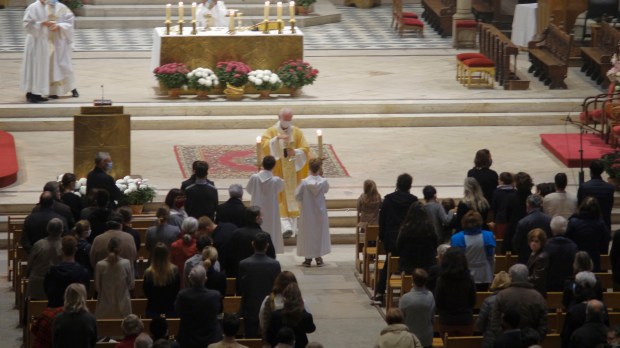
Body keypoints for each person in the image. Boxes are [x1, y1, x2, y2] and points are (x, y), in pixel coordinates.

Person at [260, 108, 310, 239]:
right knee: (281, 200)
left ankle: (293, 229)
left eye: (290, 119)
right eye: (285, 119)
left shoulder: (297, 132)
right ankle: (285, 228)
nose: (288, 122)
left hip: (294, 172)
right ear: (279, 117)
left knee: (293, 199)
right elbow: (264, 145)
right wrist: (276, 139)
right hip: (278, 171)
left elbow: (305, 148)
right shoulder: (271, 131)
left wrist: (296, 152)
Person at [21, 0, 78, 103]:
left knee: (40, 69)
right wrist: (42, 24)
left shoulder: (58, 7)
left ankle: (36, 93)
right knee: (34, 68)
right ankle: (32, 94)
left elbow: (69, 22)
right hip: (36, 42)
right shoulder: (34, 7)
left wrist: (59, 26)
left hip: (48, 43)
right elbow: (27, 24)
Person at [375, 173, 418, 305]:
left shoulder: (389, 199)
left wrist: (382, 236)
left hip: (391, 238)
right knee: (410, 265)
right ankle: (411, 291)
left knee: (389, 264)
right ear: (409, 186)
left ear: (397, 184)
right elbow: (417, 220)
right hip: (409, 239)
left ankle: (380, 292)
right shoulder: (413, 200)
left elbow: (382, 220)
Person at [237, 232, 282, 338]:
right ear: (267, 245)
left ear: (253, 244)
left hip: (250, 306)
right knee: (270, 337)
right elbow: (278, 287)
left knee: (250, 337)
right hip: (270, 307)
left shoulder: (243, 264)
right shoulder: (275, 264)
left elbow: (239, 287)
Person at [490, 264, 548, 341]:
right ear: (527, 276)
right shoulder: (538, 296)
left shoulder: (502, 295)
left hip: (508, 341)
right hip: (530, 341)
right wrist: (536, 339)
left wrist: (503, 337)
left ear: (511, 277)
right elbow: (544, 324)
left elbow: (494, 321)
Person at [176, 265, 223, 347]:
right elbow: (219, 310)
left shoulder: (183, 295)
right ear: (205, 279)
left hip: (188, 339)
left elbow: (178, 311)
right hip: (210, 338)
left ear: (190, 279)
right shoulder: (215, 295)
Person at [295, 158, 331, 267]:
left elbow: (297, 195)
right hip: (319, 212)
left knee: (308, 234)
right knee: (318, 234)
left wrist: (304, 198)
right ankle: (318, 257)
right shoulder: (324, 182)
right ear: (319, 168)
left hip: (307, 212)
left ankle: (308, 259)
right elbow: (325, 190)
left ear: (309, 168)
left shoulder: (304, 182)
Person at [247, 155, 285, 253]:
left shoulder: (255, 177)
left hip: (257, 209)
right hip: (271, 210)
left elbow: (249, 190)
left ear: (262, 164)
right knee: (270, 230)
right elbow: (281, 187)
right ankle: (270, 251)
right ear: (273, 166)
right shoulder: (276, 180)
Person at [434, 248, 476, 337]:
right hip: (465, 320)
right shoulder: (469, 278)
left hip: (447, 321)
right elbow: (472, 301)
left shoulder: (442, 280)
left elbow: (438, 302)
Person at [224, 206, 276, 277]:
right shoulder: (265, 235)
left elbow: (229, 256)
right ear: (257, 218)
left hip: (239, 274)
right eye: (261, 216)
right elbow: (271, 256)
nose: (262, 218)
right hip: (260, 275)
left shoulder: (236, 234)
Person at [450, 210, 495, 291]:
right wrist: (491, 273)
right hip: (483, 274)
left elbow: (455, 260)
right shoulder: (488, 236)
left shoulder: (457, 238)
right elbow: (491, 258)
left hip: (464, 275)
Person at [44, 235, 90, 308]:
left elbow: (48, 291)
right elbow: (85, 292)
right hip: (76, 309)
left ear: (62, 250)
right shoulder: (83, 272)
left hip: (56, 309)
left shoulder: (52, 271)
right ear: (76, 249)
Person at [566, 196, 610, 272]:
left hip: (576, 256)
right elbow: (605, 240)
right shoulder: (600, 223)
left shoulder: (573, 221)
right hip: (594, 257)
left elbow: (568, 239)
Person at [94, 236, 134, 319]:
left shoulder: (100, 265)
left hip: (104, 308)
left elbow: (97, 288)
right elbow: (131, 285)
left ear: (107, 248)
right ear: (120, 249)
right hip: (123, 308)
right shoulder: (126, 263)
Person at [266, 283, 316, 348]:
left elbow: (269, 336)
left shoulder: (275, 315)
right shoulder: (306, 316)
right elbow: (311, 329)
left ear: (284, 299)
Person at [397, 202, 438, 274]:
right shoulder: (430, 228)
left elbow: (399, 246)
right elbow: (435, 244)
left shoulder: (405, 228)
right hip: (427, 266)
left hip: (408, 267)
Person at [51, 283, 97, 348]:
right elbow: (93, 343)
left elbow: (55, 343)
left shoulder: (58, 319)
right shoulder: (91, 319)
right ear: (83, 297)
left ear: (66, 297)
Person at [28, 218, 63, 300]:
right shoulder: (65, 244)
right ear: (61, 230)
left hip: (38, 284)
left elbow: (30, 263)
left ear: (48, 229)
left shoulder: (39, 244)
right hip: (58, 285)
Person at [399, 268, 435, 348]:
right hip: (426, 339)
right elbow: (432, 319)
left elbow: (400, 320)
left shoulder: (405, 298)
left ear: (412, 280)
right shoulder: (430, 296)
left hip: (410, 339)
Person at [143, 242, 181, 318]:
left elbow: (146, 292)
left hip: (153, 310)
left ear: (154, 256)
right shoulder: (175, 270)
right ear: (167, 255)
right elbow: (177, 290)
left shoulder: (148, 273)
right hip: (170, 309)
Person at [512, 194, 552, 264]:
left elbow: (516, 243)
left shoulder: (523, 222)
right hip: (546, 257)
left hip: (526, 258)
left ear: (528, 205)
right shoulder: (549, 220)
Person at [259, 271, 298, 340]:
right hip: (296, 339)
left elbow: (263, 320)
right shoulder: (300, 301)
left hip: (274, 339)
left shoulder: (269, 300)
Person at [578, 159, 614, 232]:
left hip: (587, 226)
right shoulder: (610, 188)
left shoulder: (584, 187)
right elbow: (609, 207)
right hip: (604, 226)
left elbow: (579, 205)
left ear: (590, 171)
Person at [476, 271, 511, 348]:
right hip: (509, 342)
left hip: (490, 342)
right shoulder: (514, 300)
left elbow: (480, 325)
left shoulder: (488, 301)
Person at [545, 216, 578, 292]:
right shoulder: (573, 246)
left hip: (550, 284)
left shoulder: (546, 245)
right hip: (568, 285)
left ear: (551, 228)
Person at [170, 216, 198, 286]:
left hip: (178, 281)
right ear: (196, 229)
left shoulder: (174, 245)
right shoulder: (198, 246)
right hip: (196, 280)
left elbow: (171, 263)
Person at [491, 172, 518, 241]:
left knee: (500, 239)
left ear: (502, 181)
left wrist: (494, 220)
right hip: (512, 219)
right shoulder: (515, 192)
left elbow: (494, 207)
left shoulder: (497, 192)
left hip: (500, 219)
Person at [526, 228, 549, 296]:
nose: (533, 243)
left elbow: (536, 278)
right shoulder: (534, 253)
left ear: (541, 243)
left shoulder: (541, 257)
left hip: (537, 292)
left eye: (536, 241)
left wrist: (521, 278)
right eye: (532, 241)